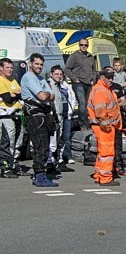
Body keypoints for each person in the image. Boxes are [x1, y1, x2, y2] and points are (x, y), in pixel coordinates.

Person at [21, 53, 58, 187]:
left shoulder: (41, 79)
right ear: (31, 64)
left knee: (45, 146)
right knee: (39, 146)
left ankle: (42, 174)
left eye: (41, 64)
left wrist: (47, 95)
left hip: (44, 116)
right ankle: (39, 176)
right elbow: (43, 96)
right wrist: (46, 95)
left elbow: (52, 96)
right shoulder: (28, 78)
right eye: (37, 64)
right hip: (35, 117)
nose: (39, 67)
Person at [86, 66, 122, 186]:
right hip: (104, 126)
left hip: (104, 125)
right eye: (108, 77)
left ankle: (99, 175)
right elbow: (101, 112)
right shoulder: (101, 90)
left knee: (102, 152)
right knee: (107, 153)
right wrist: (107, 126)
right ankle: (105, 178)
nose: (111, 79)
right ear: (101, 77)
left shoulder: (105, 88)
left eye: (112, 77)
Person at [48, 65, 77, 172]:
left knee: (64, 138)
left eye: (61, 74)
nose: (59, 76)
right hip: (55, 116)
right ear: (51, 74)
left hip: (66, 115)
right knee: (53, 139)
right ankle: (51, 161)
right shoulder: (49, 85)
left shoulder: (65, 86)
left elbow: (72, 98)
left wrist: (71, 111)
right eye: (56, 74)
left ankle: (60, 160)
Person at [64, 38, 95, 132]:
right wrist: (75, 79)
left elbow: (94, 70)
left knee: (88, 105)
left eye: (85, 45)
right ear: (79, 45)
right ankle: (83, 125)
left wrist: (93, 79)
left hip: (89, 83)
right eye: (82, 45)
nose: (83, 47)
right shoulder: (74, 56)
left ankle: (89, 123)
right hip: (79, 83)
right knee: (82, 104)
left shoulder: (91, 57)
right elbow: (67, 69)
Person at [0, 57, 23, 177]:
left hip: (18, 114)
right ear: (1, 68)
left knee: (18, 142)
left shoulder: (13, 80)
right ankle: (6, 167)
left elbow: (21, 94)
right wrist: (15, 95)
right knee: (8, 141)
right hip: (6, 116)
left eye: (11, 67)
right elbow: (8, 99)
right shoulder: (1, 81)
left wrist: (15, 95)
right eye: (7, 67)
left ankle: (14, 164)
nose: (10, 69)